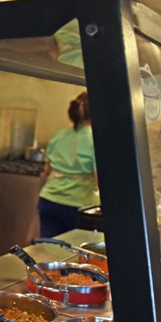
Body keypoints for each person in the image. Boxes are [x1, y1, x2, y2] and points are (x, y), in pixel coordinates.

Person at [37, 91, 99, 238]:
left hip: (49, 200)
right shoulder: (96, 140)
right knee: (75, 247)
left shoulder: (59, 135)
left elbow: (47, 170)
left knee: (48, 246)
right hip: (78, 205)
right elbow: (99, 179)